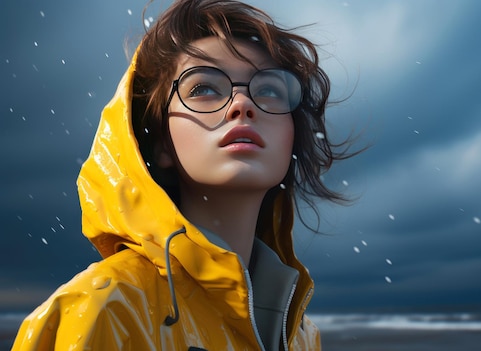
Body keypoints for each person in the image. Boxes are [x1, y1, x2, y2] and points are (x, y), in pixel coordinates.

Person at [11, 0, 357, 349]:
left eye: (269, 89)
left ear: (291, 137)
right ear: (160, 141)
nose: (243, 103)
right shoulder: (100, 310)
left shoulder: (300, 335)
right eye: (203, 87)